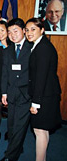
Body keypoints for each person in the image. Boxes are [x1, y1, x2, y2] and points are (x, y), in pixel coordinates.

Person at [25, 17, 62, 161]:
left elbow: (41, 77)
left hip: (45, 95)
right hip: (46, 94)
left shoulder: (44, 48)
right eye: (27, 30)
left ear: (42, 30)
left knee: (39, 130)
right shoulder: (39, 45)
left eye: (33, 29)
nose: (29, 33)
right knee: (41, 130)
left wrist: (36, 102)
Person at [0, 18, 33, 161]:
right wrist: (4, 92)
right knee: (12, 124)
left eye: (16, 31)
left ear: (23, 31)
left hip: (26, 94)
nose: (12, 35)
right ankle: (17, 147)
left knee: (19, 125)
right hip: (12, 93)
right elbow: (5, 73)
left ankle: (10, 156)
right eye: (9, 32)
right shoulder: (8, 51)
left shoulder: (32, 48)